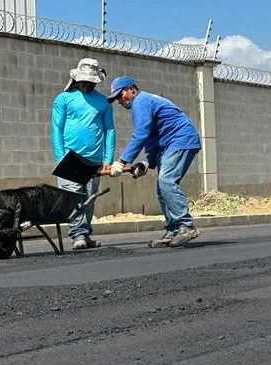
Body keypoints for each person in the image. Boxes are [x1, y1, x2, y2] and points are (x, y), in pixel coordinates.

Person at [107, 75, 202, 248]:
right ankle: (173, 230)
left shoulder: (141, 101)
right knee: (162, 188)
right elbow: (153, 137)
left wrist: (121, 161)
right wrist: (146, 163)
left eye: (120, 95)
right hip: (169, 143)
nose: (119, 101)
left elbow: (141, 134)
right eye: (116, 99)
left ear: (131, 90)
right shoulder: (144, 102)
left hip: (181, 140)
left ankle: (186, 226)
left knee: (167, 181)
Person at [51, 57, 115, 250]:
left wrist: (108, 159)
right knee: (72, 198)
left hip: (94, 160)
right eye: (84, 81)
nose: (87, 84)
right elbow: (57, 128)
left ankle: (85, 234)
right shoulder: (63, 99)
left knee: (88, 199)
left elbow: (110, 130)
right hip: (70, 158)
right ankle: (78, 234)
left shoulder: (104, 102)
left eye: (91, 81)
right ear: (77, 79)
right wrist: (60, 156)